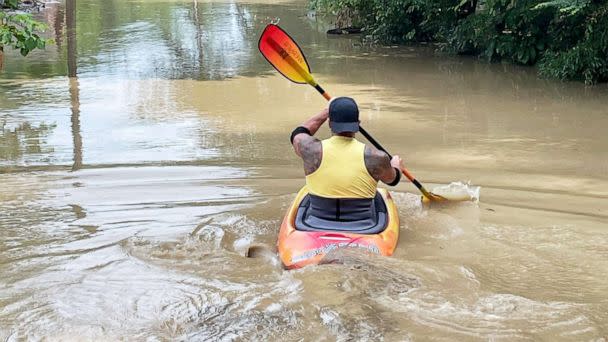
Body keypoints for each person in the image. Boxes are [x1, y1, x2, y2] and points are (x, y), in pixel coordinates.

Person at [290, 96, 404, 225]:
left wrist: (326, 111)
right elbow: (392, 180)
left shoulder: (310, 149)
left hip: (317, 221)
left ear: (329, 123)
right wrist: (396, 166)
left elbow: (298, 132)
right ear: (358, 123)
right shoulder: (377, 157)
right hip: (362, 224)